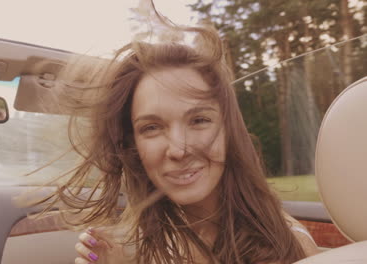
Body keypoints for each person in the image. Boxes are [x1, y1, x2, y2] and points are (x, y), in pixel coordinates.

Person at [31, 6, 319, 264]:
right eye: (152, 128)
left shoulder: (286, 246)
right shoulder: (153, 240)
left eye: (199, 120)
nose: (179, 149)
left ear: (228, 131)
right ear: (133, 146)